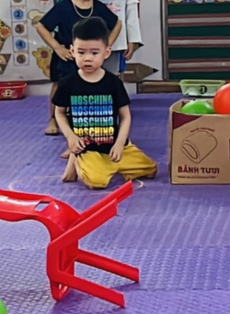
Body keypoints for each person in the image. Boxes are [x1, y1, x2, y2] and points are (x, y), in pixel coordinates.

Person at [53, 16, 157, 189]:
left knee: (151, 169)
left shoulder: (113, 83)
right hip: (88, 148)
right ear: (72, 51)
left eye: (94, 53)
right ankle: (77, 158)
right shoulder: (67, 83)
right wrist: (70, 136)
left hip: (115, 146)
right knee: (97, 182)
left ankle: (110, 166)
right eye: (81, 52)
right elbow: (59, 112)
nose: (87, 58)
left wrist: (119, 143)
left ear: (106, 52)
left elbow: (125, 116)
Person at [38, 0, 119, 137]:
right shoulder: (63, 7)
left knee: (89, 87)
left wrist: (106, 46)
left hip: (90, 58)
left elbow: (117, 24)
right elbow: (41, 26)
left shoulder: (98, 7)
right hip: (67, 57)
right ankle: (53, 118)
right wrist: (57, 47)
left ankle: (86, 121)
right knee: (60, 86)